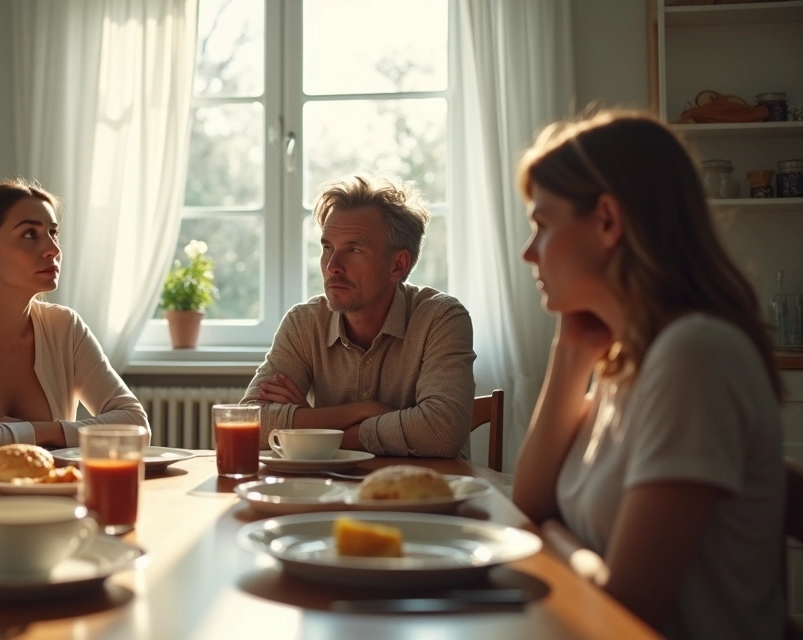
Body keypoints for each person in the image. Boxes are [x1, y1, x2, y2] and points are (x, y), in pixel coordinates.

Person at [511, 110, 784, 638]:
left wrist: (555, 538)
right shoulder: (628, 361)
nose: (529, 253)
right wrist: (570, 354)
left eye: (542, 225)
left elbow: (629, 607)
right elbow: (530, 503)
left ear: (608, 221)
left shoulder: (694, 356)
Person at [0, 178, 148, 470]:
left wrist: (44, 429)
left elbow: (136, 425)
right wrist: (58, 435)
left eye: (53, 233)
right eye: (29, 235)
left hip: (50, 498)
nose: (52, 249)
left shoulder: (65, 326)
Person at [241, 173, 476, 456]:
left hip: (425, 493)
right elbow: (248, 424)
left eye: (353, 249)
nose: (332, 266)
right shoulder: (304, 323)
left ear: (398, 265)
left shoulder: (442, 319)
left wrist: (314, 432)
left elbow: (441, 432)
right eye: (327, 247)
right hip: (329, 493)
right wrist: (366, 411)